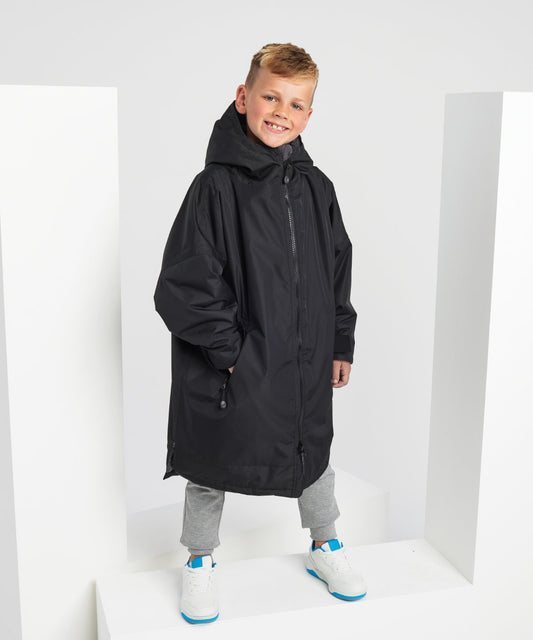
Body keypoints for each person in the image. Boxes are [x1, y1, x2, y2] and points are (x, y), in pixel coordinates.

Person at [154, 42, 367, 624]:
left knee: (310, 446)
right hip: (237, 362)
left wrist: (339, 341)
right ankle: (200, 560)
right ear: (243, 98)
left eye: (296, 104)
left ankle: (324, 543)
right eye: (271, 97)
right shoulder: (214, 187)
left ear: (309, 115)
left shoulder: (318, 188)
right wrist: (233, 353)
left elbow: (337, 269)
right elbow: (184, 284)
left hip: (304, 357)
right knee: (211, 458)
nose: (281, 112)